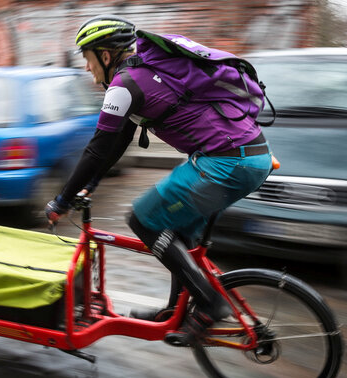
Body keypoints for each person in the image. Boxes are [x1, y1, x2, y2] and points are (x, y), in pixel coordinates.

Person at [45, 15, 272, 346]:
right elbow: (116, 142)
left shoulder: (124, 85)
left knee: (143, 218)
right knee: (177, 233)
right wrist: (88, 185)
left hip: (226, 162)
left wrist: (61, 201)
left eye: (87, 58)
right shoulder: (142, 75)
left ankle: (211, 304)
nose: (87, 68)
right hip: (250, 156)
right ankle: (174, 311)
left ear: (105, 56)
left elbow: (97, 149)